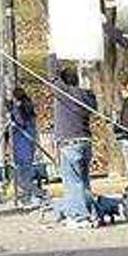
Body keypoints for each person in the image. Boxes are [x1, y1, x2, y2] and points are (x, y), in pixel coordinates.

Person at [46, 53, 99, 228]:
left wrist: (52, 52)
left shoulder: (64, 93)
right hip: (85, 142)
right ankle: (91, 213)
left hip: (70, 143)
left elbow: (52, 76)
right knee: (83, 181)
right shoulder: (87, 96)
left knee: (73, 182)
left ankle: (78, 217)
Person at [7, 87, 45, 206]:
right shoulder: (28, 108)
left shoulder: (22, 108)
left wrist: (13, 109)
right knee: (22, 173)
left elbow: (20, 123)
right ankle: (31, 195)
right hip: (24, 144)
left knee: (22, 174)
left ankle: (37, 194)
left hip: (23, 144)